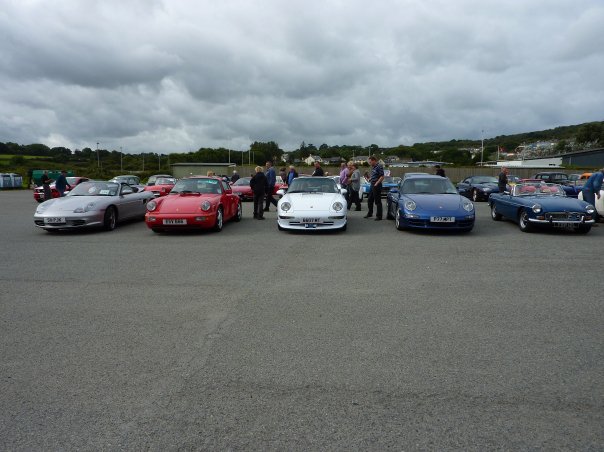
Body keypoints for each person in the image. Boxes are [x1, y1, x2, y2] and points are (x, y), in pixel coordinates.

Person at [364, 156, 384, 220]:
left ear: (374, 160)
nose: (369, 163)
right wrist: (367, 177)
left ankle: (379, 216)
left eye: (370, 162)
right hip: (372, 185)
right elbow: (373, 177)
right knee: (369, 199)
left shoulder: (379, 166)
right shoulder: (373, 167)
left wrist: (377, 183)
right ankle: (370, 213)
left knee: (377, 201)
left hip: (376, 185)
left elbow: (382, 176)